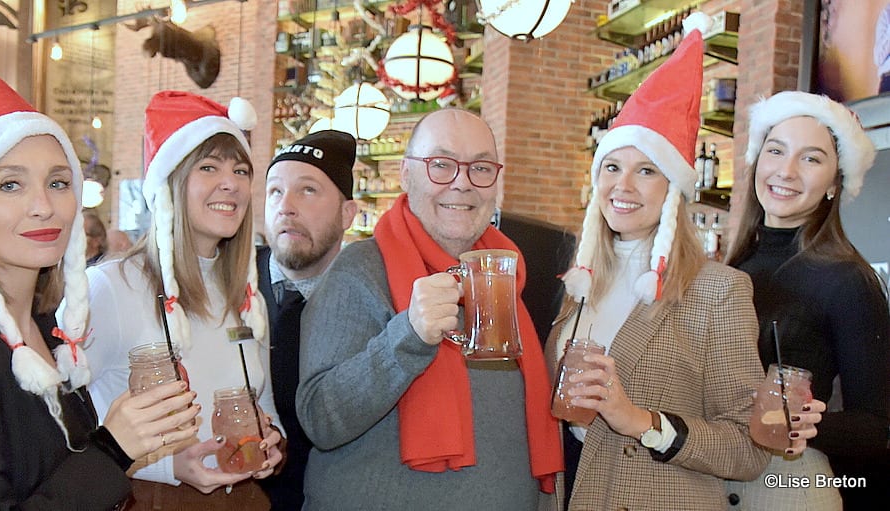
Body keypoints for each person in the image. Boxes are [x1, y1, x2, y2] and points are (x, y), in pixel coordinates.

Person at [0, 64, 199, 509]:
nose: (43, 206)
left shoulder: (46, 322)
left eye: (58, 183)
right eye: (11, 185)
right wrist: (113, 447)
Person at [547, 13, 770, 510]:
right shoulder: (580, 283)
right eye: (612, 167)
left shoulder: (718, 290)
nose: (622, 186)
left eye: (646, 170)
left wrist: (643, 422)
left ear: (673, 189)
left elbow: (750, 447)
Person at [296, 108, 563, 510]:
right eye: (441, 165)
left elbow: (519, 429)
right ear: (406, 175)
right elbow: (321, 419)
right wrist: (407, 338)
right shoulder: (360, 271)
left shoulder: (504, 273)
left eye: (481, 168)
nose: (462, 184)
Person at [83, 90, 283, 509]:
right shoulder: (110, 286)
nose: (230, 183)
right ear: (171, 182)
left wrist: (271, 440)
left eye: (241, 170)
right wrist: (167, 466)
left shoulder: (245, 294)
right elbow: (65, 428)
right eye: (208, 167)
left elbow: (261, 402)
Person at [724, 91, 890, 509]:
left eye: (811, 158)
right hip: (714, 473)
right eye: (776, 150)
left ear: (836, 183)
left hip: (787, 484)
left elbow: (877, 428)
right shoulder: (734, 265)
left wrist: (810, 423)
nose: (786, 170)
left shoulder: (847, 280)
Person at [256, 129, 358, 510]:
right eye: (275, 191)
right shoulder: (229, 286)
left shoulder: (370, 299)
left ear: (348, 213)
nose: (287, 206)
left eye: (308, 190)